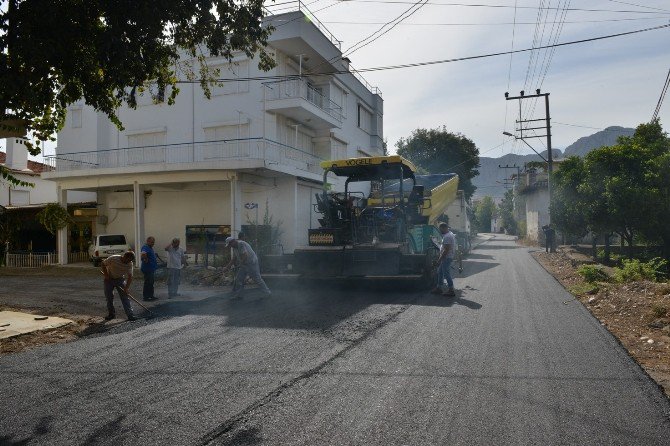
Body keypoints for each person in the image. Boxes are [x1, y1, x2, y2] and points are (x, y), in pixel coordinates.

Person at [101, 250, 137, 321]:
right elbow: (103, 263)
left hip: (120, 279)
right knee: (109, 297)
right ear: (124, 256)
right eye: (128, 260)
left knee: (125, 297)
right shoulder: (114, 258)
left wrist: (126, 288)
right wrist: (106, 275)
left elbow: (130, 277)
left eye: (130, 260)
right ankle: (111, 314)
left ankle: (130, 315)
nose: (129, 262)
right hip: (109, 280)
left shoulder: (130, 264)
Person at [431, 223, 456, 297]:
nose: (440, 230)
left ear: (444, 228)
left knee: (446, 273)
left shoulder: (447, 237)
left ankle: (451, 290)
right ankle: (439, 288)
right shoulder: (449, 234)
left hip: (447, 257)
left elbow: (446, 250)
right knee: (440, 272)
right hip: (447, 257)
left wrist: (439, 260)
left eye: (440, 229)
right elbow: (445, 247)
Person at [140, 236, 158, 301]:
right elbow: (143, 254)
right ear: (148, 241)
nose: (153, 243)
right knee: (148, 283)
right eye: (152, 242)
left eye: (154, 242)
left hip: (151, 269)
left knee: (151, 282)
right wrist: (146, 259)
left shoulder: (150, 248)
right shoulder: (145, 247)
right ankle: (146, 297)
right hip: (147, 269)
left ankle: (151, 295)